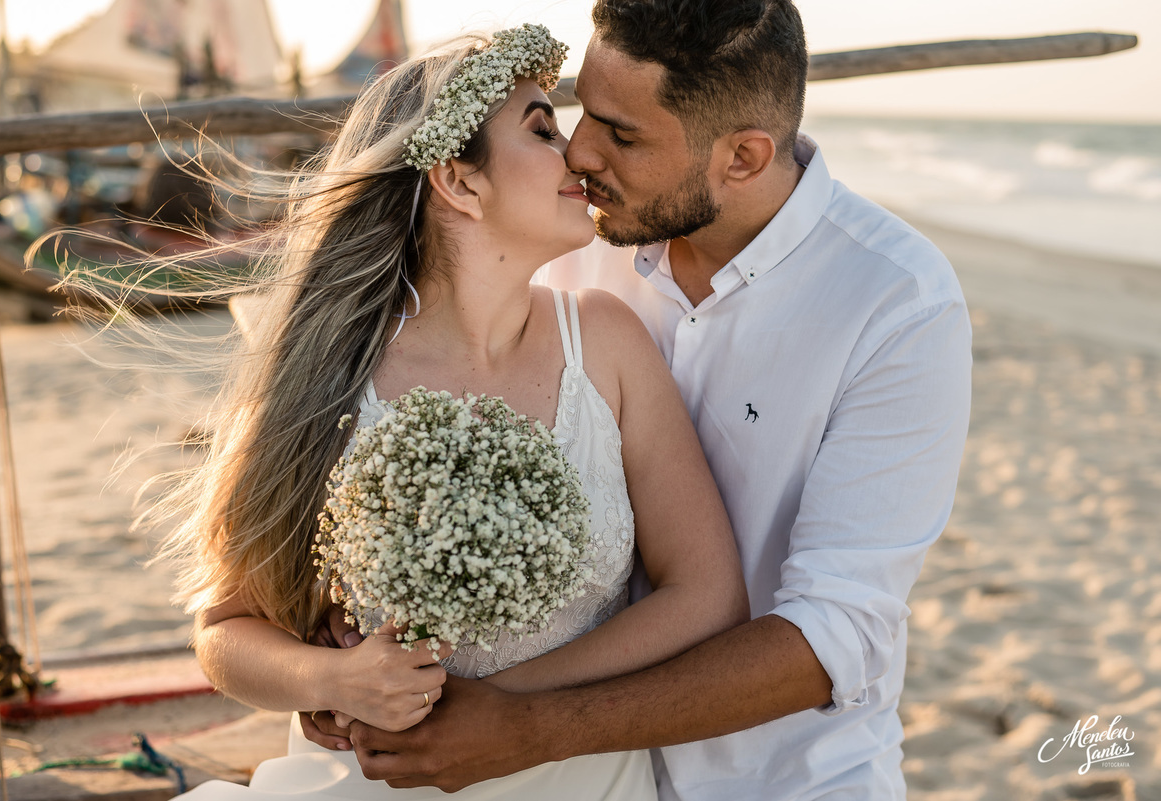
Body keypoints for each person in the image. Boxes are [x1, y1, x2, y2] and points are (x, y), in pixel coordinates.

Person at [314, 2, 973, 799]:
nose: (581, 150)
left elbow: (834, 633)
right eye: (578, 109)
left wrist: (526, 725)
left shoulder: (896, 302)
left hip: (781, 778)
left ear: (742, 158)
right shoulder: (568, 248)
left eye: (622, 134)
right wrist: (347, 648)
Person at [160, 23, 749, 801]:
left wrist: (505, 705)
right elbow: (225, 631)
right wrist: (337, 678)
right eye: (543, 129)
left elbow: (709, 593)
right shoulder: (334, 371)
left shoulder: (605, 340)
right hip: (377, 778)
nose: (576, 153)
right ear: (459, 182)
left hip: (583, 778)